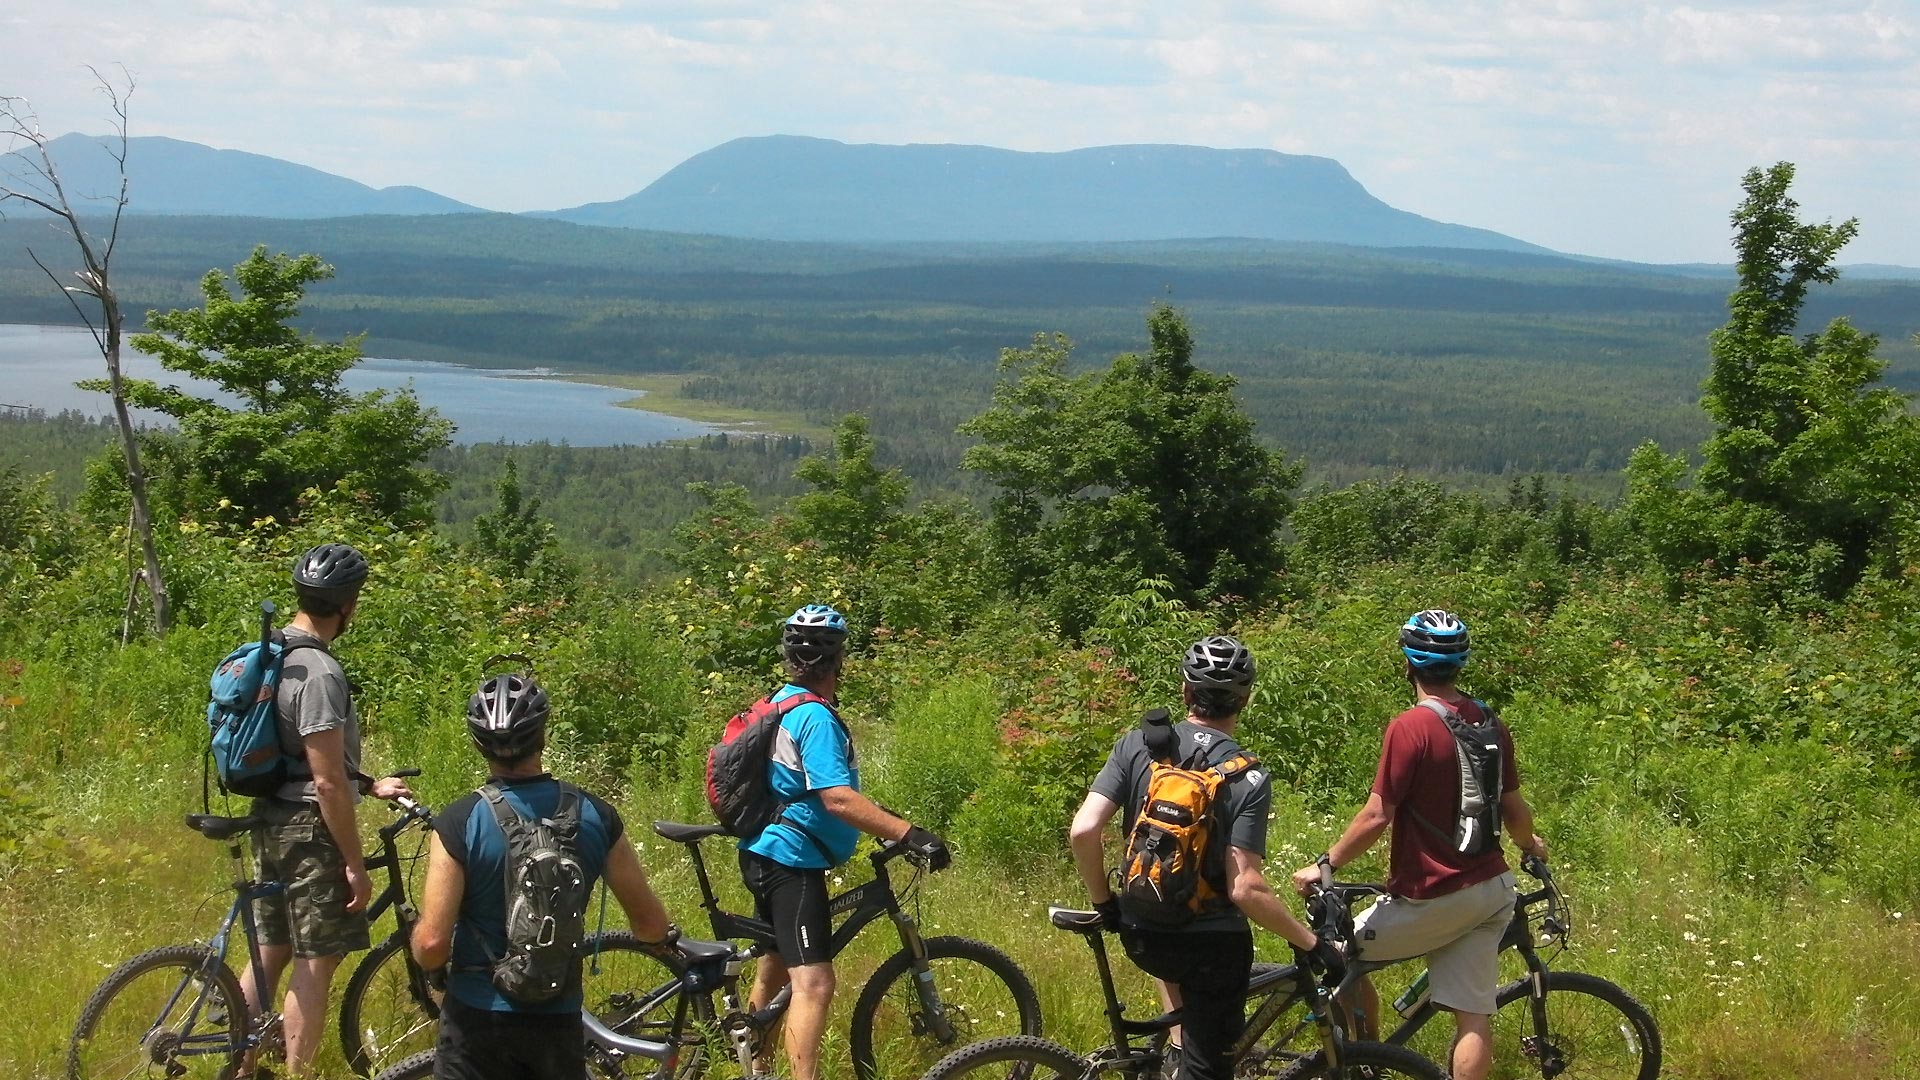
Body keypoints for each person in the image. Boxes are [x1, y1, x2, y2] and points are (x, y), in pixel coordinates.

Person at [1291, 610, 1548, 1080]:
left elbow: (1375, 816)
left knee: (1337, 949)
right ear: (1461, 664)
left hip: (1434, 896)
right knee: (1474, 1017)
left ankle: (1364, 1061)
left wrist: (1322, 864)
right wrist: (1530, 844)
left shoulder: (1410, 727)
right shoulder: (1489, 721)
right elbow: (1513, 809)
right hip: (1491, 890)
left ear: (1408, 664)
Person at [1070, 635, 1342, 1080]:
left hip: (1142, 935)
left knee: (1180, 974)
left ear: (1185, 691)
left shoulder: (1137, 745)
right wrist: (1312, 944)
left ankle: (1177, 1054)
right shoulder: (1248, 776)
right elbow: (1245, 887)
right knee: (1210, 1066)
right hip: (1212, 948)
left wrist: (1106, 904)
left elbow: (1084, 830)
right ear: (1245, 699)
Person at [411, 670, 674, 1080]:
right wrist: (659, 942)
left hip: (476, 1020)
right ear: (543, 735)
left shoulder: (460, 821)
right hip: (557, 1020)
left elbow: (431, 945)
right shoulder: (595, 815)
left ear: (479, 744)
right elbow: (650, 925)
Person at [736, 604, 952, 1080]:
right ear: (840, 660)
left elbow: (819, 790)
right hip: (791, 860)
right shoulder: (814, 716)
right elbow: (836, 799)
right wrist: (910, 834)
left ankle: (757, 1067)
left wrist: (887, 818)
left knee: (773, 966)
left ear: (790, 658)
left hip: (762, 852)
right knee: (813, 982)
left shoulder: (780, 702)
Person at [236, 542, 413, 1077]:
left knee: (270, 947)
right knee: (318, 959)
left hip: (268, 817)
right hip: (308, 830)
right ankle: (298, 1073)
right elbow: (326, 782)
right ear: (348, 605)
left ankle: (237, 1067)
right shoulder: (320, 672)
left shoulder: (274, 655)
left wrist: (368, 783)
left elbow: (301, 756)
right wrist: (353, 863)